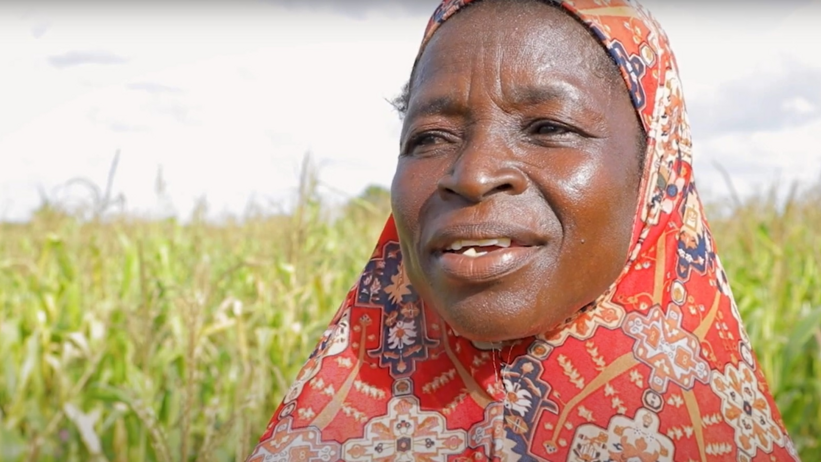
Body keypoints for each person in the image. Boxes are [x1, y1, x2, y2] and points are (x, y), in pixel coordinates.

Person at [247, 0, 798, 460]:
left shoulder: (703, 440)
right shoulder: (324, 435)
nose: (473, 174)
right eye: (430, 137)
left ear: (656, 176)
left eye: (548, 127)